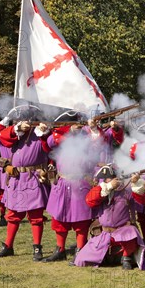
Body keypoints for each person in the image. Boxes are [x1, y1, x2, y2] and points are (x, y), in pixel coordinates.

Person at [0, 107, 51, 261]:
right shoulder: (14, 134)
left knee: (36, 216)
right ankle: (8, 246)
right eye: (18, 120)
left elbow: (51, 143)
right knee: (13, 215)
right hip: (16, 179)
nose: (23, 123)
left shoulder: (41, 133)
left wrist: (44, 131)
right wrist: (16, 127)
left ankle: (37, 248)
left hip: (34, 178)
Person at [42, 111, 98, 264]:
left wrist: (89, 129)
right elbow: (49, 142)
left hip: (80, 182)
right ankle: (60, 249)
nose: (77, 126)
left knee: (81, 221)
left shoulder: (87, 138)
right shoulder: (60, 138)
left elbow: (96, 142)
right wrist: (68, 132)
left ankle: (80, 250)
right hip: (62, 182)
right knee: (59, 220)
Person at [74, 166, 145, 270]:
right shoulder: (102, 190)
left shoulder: (127, 191)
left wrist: (136, 183)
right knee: (81, 260)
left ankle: (126, 258)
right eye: (108, 179)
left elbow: (143, 200)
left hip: (122, 231)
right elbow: (90, 201)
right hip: (104, 233)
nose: (111, 180)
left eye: (113, 177)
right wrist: (108, 187)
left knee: (132, 232)